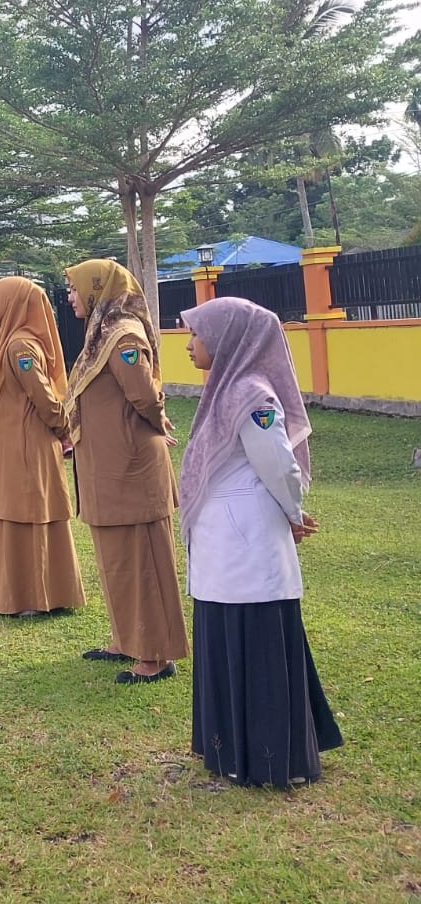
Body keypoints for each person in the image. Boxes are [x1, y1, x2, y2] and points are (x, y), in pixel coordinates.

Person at [180, 297, 342, 787]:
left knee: (255, 639)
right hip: (227, 541)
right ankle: (232, 751)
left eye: (197, 334)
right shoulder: (226, 389)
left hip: (245, 539)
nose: (189, 345)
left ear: (227, 338)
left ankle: (266, 757)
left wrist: (293, 511)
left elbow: (279, 465)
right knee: (228, 634)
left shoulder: (252, 396)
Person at [64, 260, 188, 682]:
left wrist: (158, 424)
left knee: (143, 563)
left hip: (130, 467)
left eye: (74, 289)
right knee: (117, 560)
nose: (70, 297)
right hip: (108, 468)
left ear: (96, 289)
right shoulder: (102, 335)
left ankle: (155, 656)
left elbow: (145, 396)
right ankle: (126, 639)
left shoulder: (122, 337)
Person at [0, 277, 85, 616]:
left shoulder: (20, 346)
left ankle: (37, 596)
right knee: (19, 513)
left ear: (12, 304)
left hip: (26, 446)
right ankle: (32, 593)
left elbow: (44, 397)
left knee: (29, 514)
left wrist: (63, 428)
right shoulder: (11, 341)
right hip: (15, 444)